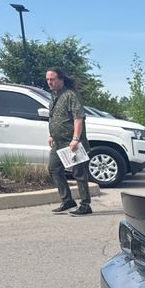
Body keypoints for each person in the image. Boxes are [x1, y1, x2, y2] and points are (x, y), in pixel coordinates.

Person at [45, 67, 92, 216]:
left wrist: (76, 139)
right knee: (54, 169)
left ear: (61, 79)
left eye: (52, 79)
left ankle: (85, 205)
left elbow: (79, 118)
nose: (49, 82)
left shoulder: (71, 95)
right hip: (58, 142)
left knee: (79, 174)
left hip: (72, 143)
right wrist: (52, 135)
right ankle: (67, 200)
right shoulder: (54, 96)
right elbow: (54, 117)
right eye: (47, 79)